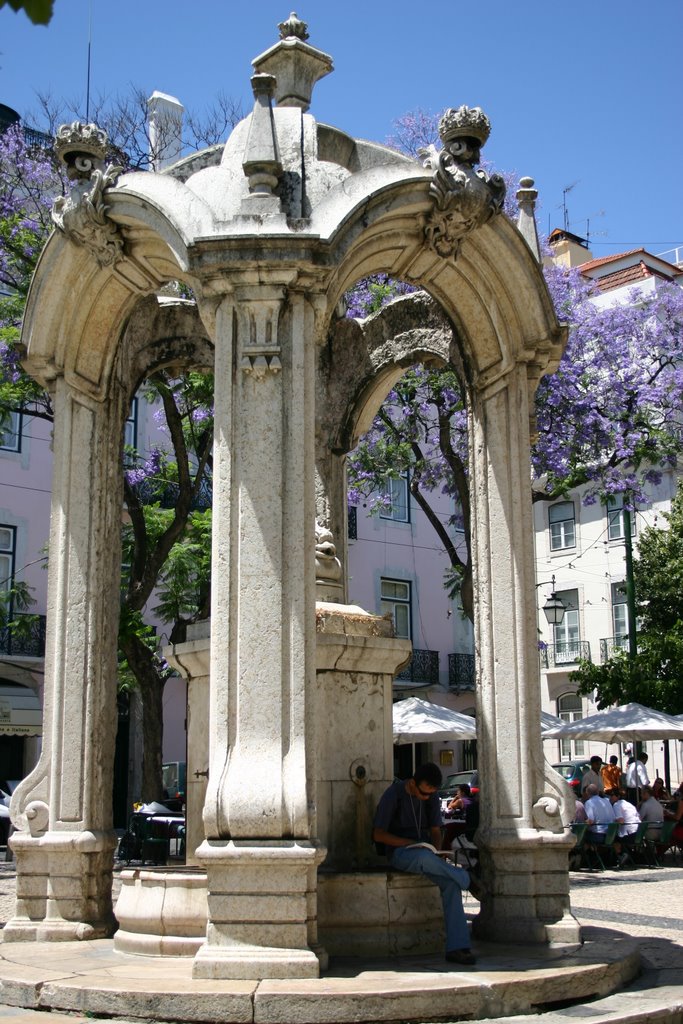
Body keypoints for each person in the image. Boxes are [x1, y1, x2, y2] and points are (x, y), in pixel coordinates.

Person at [373, 762, 476, 966]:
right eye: (424, 793)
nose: (427, 798)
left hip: (426, 853)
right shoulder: (393, 795)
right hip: (400, 852)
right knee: (422, 857)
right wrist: (409, 843)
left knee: (450, 884)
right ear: (412, 784)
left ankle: (457, 947)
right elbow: (378, 834)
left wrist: (437, 851)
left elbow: (436, 830)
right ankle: (467, 878)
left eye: (431, 794)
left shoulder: (432, 796)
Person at [608, 789, 640, 866]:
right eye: (610, 795)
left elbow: (621, 821)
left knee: (612, 838)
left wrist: (612, 822)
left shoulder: (617, 805)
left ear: (618, 796)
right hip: (638, 833)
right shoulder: (630, 805)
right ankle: (626, 853)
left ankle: (621, 855)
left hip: (629, 835)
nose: (610, 797)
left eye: (612, 795)